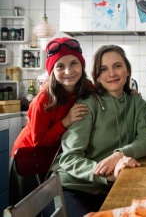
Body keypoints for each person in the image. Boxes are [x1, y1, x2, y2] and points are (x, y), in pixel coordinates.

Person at [54, 45, 146, 216]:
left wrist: (120, 155)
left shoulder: (137, 103)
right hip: (73, 188)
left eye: (117, 66)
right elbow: (69, 158)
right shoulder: (87, 104)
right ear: (97, 76)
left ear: (128, 70)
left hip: (112, 188)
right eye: (103, 69)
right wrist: (106, 175)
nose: (111, 74)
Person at [9, 37, 92, 205]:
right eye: (60, 66)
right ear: (52, 70)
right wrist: (66, 121)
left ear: (82, 66)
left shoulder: (87, 87)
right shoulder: (44, 99)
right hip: (28, 159)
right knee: (30, 208)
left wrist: (129, 93)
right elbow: (38, 141)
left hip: (54, 157)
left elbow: (107, 91)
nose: (68, 71)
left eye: (74, 63)